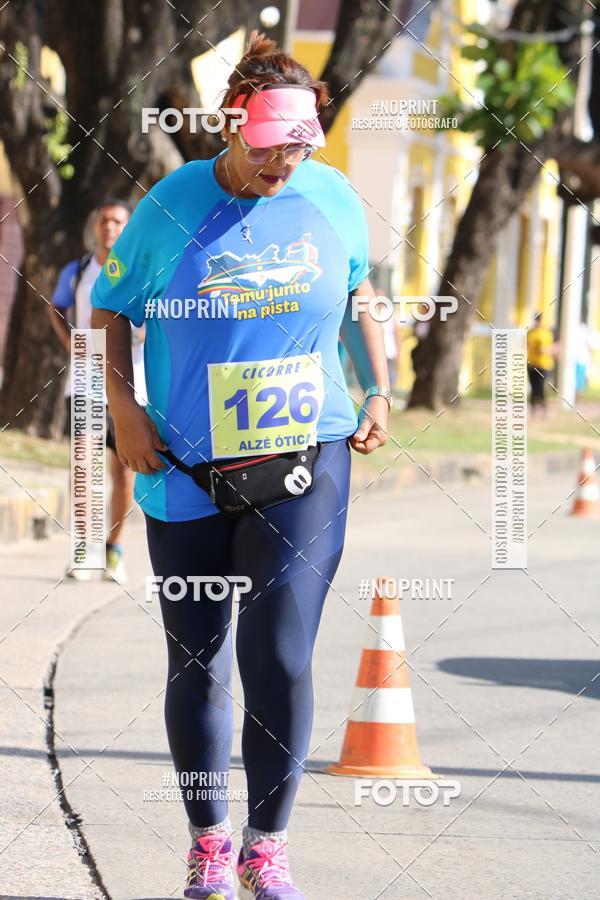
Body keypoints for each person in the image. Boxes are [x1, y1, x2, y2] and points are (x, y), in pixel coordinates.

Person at [91, 31, 390, 900]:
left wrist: (379, 388)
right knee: (198, 660)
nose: (283, 165)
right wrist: (124, 412)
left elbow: (361, 292)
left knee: (280, 650)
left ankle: (268, 845)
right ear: (230, 123)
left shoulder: (331, 197)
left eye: (299, 148)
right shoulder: (172, 204)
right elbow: (108, 310)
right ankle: (209, 843)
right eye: (268, 147)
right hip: (183, 468)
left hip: (305, 458)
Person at [50, 199, 146, 584]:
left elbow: (160, 311)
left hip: (131, 382)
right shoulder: (77, 271)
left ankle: (114, 549)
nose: (110, 227)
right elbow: (56, 308)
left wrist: (146, 331)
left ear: (128, 227)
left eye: (118, 221)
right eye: (104, 220)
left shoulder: (141, 269)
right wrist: (70, 342)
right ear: (95, 227)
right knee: (85, 467)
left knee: (124, 472)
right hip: (87, 380)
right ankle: (84, 551)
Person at [526, 312, 554, 418]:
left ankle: (543, 407)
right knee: (533, 387)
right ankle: (533, 409)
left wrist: (544, 350)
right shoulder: (530, 333)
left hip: (543, 365)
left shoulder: (547, 333)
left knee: (541, 387)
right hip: (532, 364)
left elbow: (550, 348)